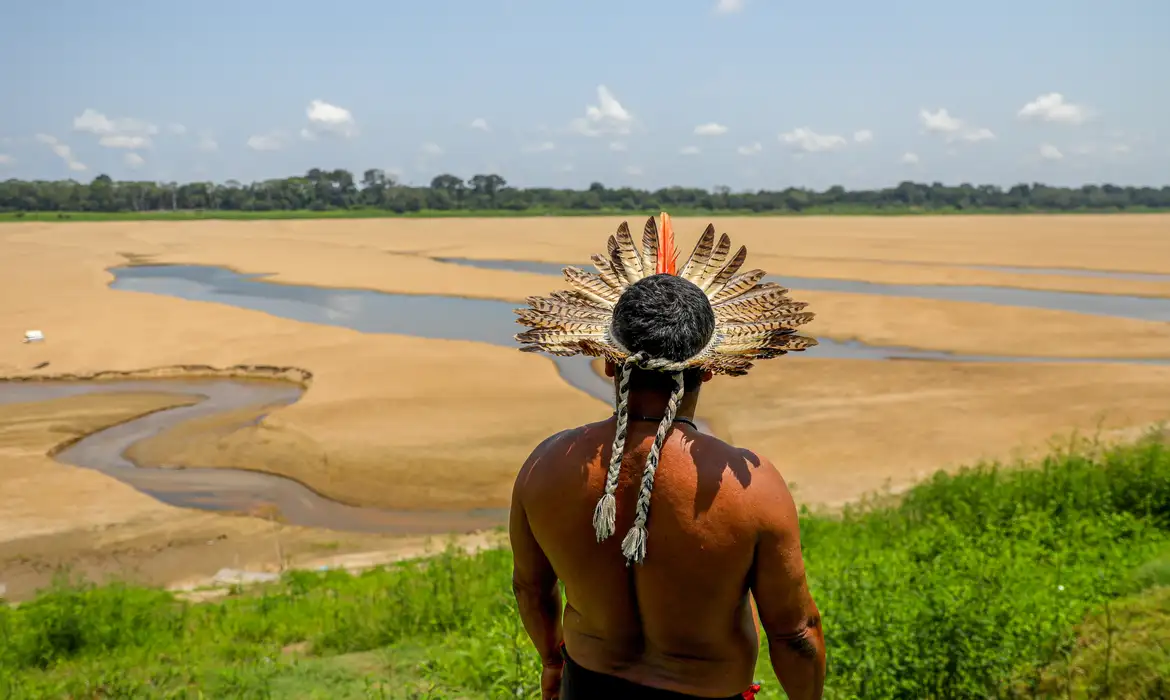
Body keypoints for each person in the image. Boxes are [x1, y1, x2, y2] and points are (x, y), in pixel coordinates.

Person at [509, 213, 826, 699]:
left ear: (610, 362)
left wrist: (553, 662)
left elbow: (531, 590)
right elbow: (795, 632)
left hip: (588, 683)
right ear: (712, 368)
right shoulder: (752, 489)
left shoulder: (546, 465)